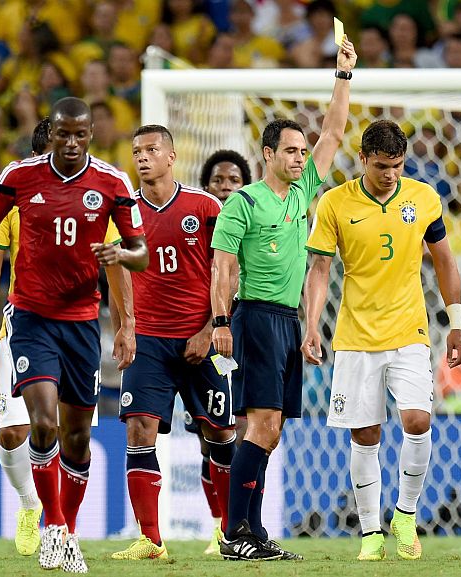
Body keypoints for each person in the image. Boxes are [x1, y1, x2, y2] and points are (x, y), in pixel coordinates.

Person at [0, 97, 148, 573]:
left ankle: (68, 530)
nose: (70, 142)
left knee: (77, 435)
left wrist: (121, 259)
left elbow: (140, 251)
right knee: (41, 422)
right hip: (30, 319)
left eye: (79, 134)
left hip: (82, 322)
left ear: (90, 135)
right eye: (62, 133)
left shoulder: (113, 182)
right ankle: (54, 527)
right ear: (53, 133)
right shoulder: (19, 176)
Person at [210, 37, 357, 561]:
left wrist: (342, 75)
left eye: (302, 151)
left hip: (286, 322)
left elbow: (335, 131)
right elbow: (223, 268)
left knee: (268, 435)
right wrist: (221, 321)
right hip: (251, 318)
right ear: (267, 155)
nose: (300, 158)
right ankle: (235, 535)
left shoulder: (302, 194)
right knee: (262, 427)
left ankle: (251, 532)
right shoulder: (242, 204)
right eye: (291, 151)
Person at [302, 120, 461, 561]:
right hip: (355, 335)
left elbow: (446, 261)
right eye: (381, 166)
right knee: (366, 433)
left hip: (409, 330)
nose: (390, 174)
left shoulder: (423, 197)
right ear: (362, 159)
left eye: (397, 165)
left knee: (417, 421)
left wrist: (456, 322)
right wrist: (312, 325)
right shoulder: (335, 203)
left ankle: (406, 514)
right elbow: (319, 270)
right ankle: (371, 532)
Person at [110, 126, 238, 562]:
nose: (142, 158)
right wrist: (125, 327)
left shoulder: (205, 207)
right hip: (148, 341)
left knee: (219, 432)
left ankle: (228, 531)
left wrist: (209, 329)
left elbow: (228, 272)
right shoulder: (123, 213)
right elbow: (119, 278)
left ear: (171, 156)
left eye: (150, 150)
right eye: (136, 152)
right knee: (138, 430)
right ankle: (151, 540)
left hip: (200, 338)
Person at [190, 148, 253, 556]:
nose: (226, 187)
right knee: (209, 437)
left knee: (244, 433)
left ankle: (243, 523)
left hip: (250, 334)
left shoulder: (260, 225)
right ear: (207, 186)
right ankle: (221, 526)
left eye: (234, 181)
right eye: (219, 181)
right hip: (211, 339)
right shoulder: (199, 233)